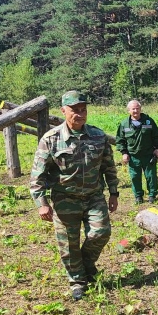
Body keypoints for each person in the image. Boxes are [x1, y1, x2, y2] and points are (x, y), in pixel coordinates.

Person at [30, 91, 119, 300]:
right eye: (74, 110)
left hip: (93, 196)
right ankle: (77, 281)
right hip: (64, 199)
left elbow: (109, 167)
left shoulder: (98, 136)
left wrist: (113, 192)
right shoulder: (51, 139)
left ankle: (87, 264)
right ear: (63, 111)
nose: (80, 114)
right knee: (68, 244)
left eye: (83, 110)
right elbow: (37, 176)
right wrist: (41, 203)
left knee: (101, 233)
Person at [115, 99, 158, 204]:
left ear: (140, 109)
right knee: (135, 178)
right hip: (133, 157)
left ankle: (152, 196)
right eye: (133, 109)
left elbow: (157, 136)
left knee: (151, 177)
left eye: (137, 108)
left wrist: (157, 149)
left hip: (148, 155)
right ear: (129, 110)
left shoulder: (148, 121)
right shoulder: (124, 124)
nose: (135, 111)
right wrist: (124, 153)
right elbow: (120, 140)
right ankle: (138, 197)